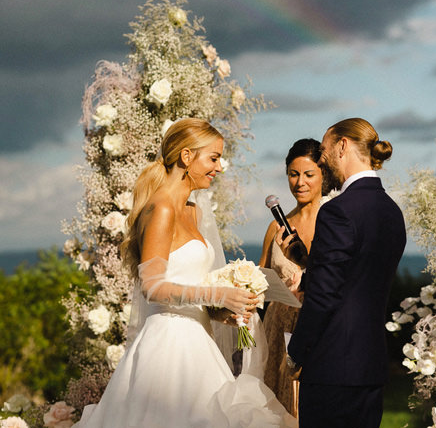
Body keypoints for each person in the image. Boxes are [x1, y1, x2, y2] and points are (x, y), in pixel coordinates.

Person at [74, 118, 292, 428]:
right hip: (168, 348)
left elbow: (189, 284)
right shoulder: (160, 208)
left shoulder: (194, 211)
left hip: (198, 340)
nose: (219, 167)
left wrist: (221, 310)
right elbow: (152, 286)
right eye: (213, 158)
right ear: (186, 157)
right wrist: (218, 294)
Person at [285, 118, 406, 428]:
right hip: (370, 367)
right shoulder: (392, 211)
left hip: (332, 368)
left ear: (342, 146)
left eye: (324, 150)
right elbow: (356, 278)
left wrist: (296, 352)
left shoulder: (338, 210)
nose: (323, 161)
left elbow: (325, 296)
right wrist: (306, 260)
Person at [258, 138, 325, 416]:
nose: (300, 183)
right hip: (277, 332)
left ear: (324, 174)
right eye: (293, 174)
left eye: (309, 174)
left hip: (316, 330)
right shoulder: (276, 227)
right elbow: (260, 280)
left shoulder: (334, 222)